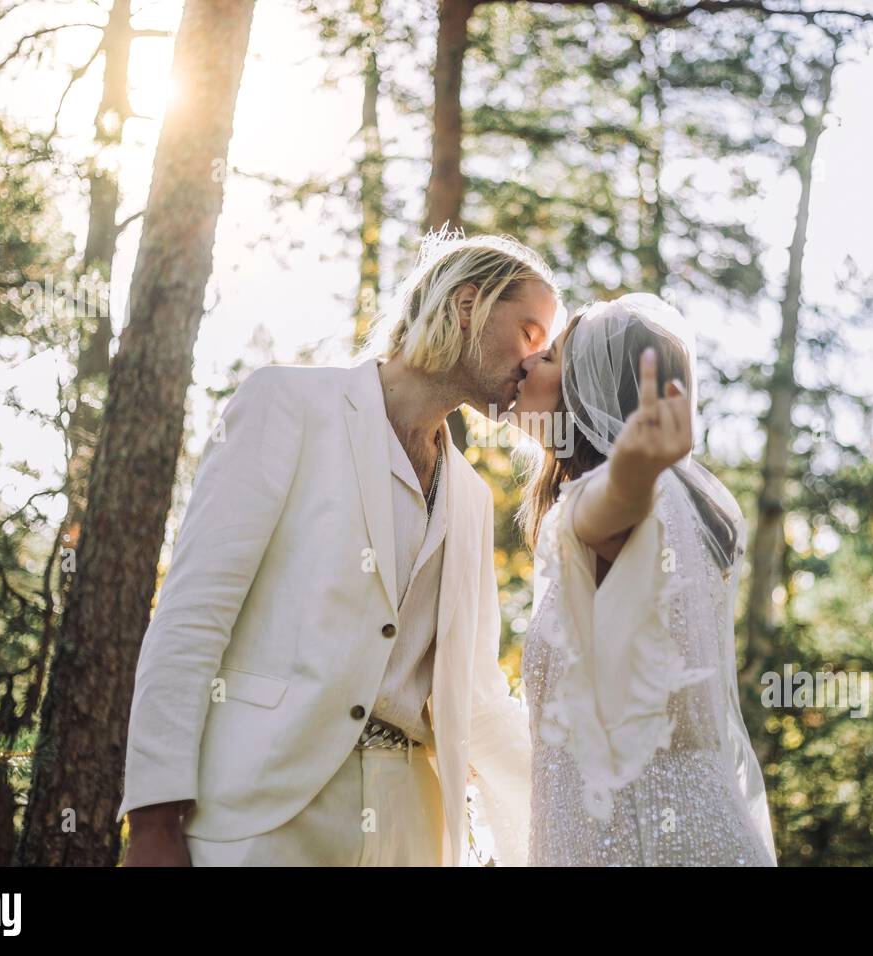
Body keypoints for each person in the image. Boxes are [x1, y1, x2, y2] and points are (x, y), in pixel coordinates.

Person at [117, 231, 557, 866]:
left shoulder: (472, 499)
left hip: (411, 830)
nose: (532, 363)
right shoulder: (286, 405)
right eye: (529, 332)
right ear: (467, 304)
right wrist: (153, 816)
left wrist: (589, 816)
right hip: (261, 814)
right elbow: (193, 614)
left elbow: (479, 699)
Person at [509, 292, 778, 866]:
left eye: (548, 358)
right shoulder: (677, 504)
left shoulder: (623, 504)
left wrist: (633, 469)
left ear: (588, 399)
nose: (527, 365)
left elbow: (614, 504)